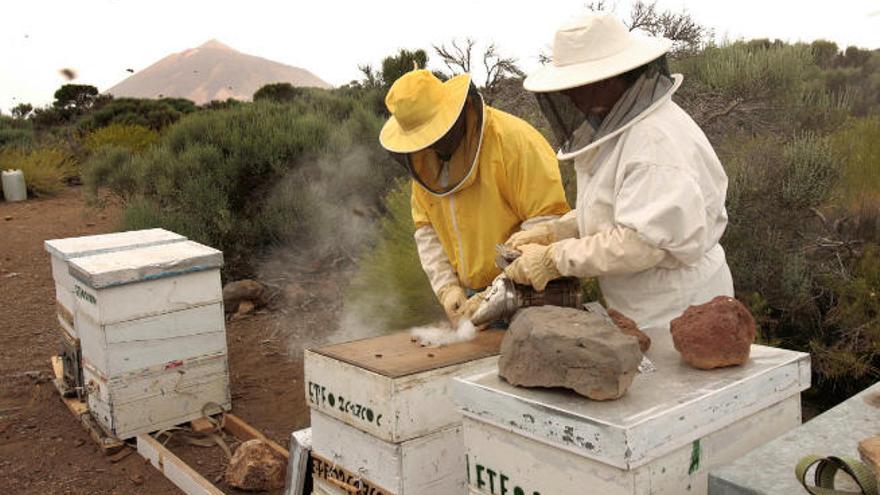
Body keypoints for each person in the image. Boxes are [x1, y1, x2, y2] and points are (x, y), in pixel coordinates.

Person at [504, 13, 734, 333]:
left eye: (577, 86)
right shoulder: (622, 130)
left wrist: (554, 259)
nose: (570, 97)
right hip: (642, 305)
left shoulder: (655, 141)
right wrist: (558, 231)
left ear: (607, 80)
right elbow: (617, 207)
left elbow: (641, 243)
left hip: (679, 310)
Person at [380, 69, 570, 326]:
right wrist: (447, 288)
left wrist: (499, 288)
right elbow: (427, 230)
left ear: (455, 113)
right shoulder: (425, 165)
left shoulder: (514, 141)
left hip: (531, 292)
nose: (431, 145)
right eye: (422, 139)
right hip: (473, 297)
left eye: (435, 134)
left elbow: (548, 222)